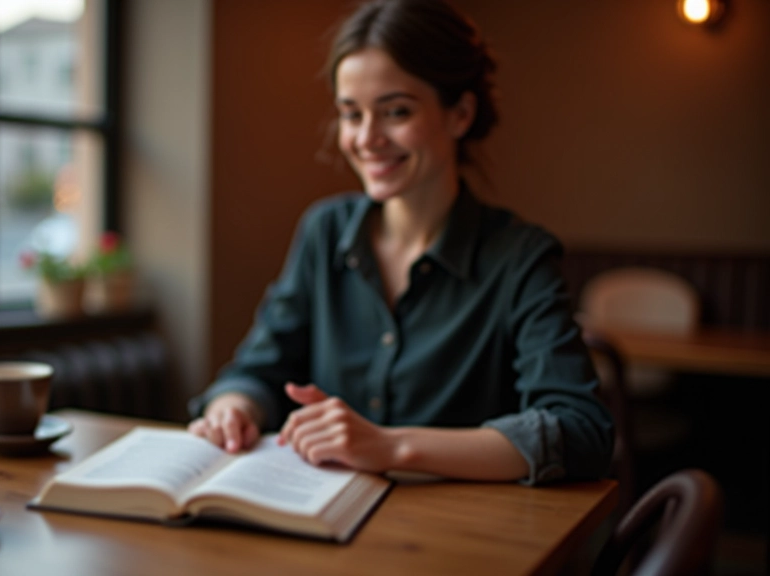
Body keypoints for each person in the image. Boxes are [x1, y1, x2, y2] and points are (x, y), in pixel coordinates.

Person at [188, 0, 613, 485]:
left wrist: (390, 446)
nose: (367, 138)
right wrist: (233, 406)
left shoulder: (520, 258)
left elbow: (580, 431)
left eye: (396, 111)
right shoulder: (324, 231)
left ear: (461, 114)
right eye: (351, 115)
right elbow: (259, 367)